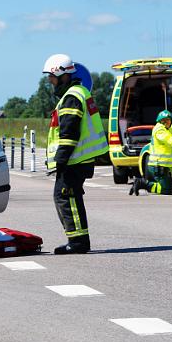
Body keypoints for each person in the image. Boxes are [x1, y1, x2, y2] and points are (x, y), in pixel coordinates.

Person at [43, 54, 109, 255]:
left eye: (52, 78)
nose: (50, 82)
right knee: (71, 197)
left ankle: (77, 241)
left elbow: (69, 132)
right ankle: (79, 239)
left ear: (62, 75)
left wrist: (61, 160)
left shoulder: (71, 97)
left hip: (75, 158)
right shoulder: (78, 93)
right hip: (80, 158)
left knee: (65, 197)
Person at [129, 110, 172, 196]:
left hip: (161, 166)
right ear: (160, 121)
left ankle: (144, 183)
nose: (167, 122)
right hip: (158, 166)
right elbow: (170, 141)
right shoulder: (160, 130)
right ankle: (142, 183)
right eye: (164, 120)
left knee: (168, 188)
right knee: (166, 190)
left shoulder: (167, 129)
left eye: (168, 120)